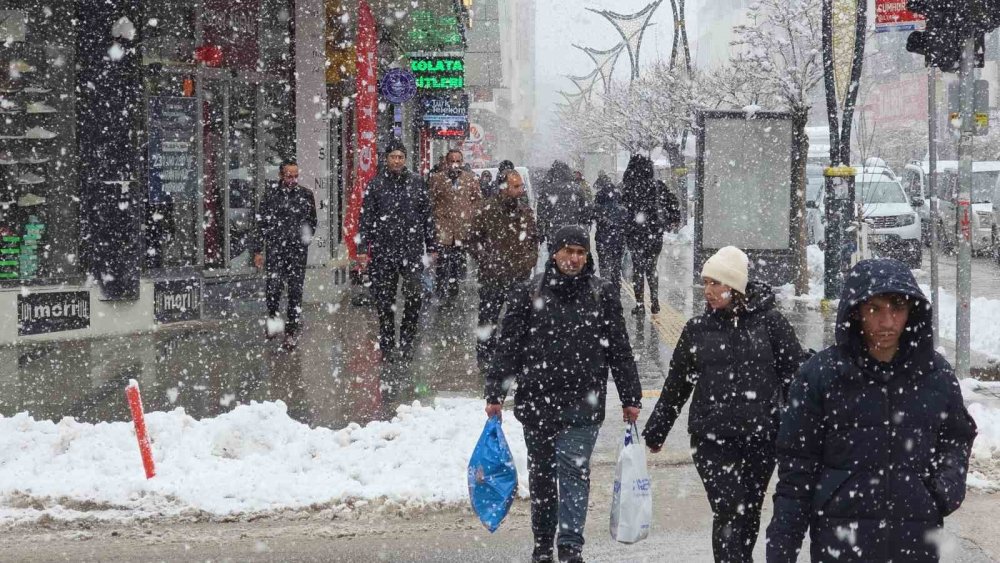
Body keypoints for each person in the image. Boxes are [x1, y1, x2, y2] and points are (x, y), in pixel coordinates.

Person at [766, 258, 978, 563]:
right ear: (856, 312)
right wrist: (781, 551)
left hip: (914, 544)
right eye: (874, 309)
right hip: (839, 545)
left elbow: (957, 437)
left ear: (912, 312)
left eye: (897, 308)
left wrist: (945, 487)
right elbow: (796, 475)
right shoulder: (820, 376)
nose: (887, 322)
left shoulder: (936, 375)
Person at [485, 225, 642, 563]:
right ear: (554, 253)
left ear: (588, 257)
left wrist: (631, 396)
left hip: (582, 404)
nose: (573, 258)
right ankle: (543, 544)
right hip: (538, 401)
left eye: (580, 252)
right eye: (568, 251)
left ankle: (570, 546)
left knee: (573, 473)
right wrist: (495, 392)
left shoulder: (602, 294)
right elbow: (509, 346)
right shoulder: (528, 293)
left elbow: (619, 349)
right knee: (542, 476)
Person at [642, 246, 805, 562]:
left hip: (761, 436)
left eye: (716, 283)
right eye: (705, 283)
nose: (709, 291)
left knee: (750, 508)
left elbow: (795, 378)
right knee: (730, 507)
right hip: (711, 438)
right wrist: (657, 430)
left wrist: (799, 429)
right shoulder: (696, 331)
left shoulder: (772, 325)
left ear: (736, 285)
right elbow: (677, 384)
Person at [358, 139, 437, 362]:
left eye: (400, 157)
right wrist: (363, 248)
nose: (397, 160)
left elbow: (427, 217)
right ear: (386, 159)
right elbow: (366, 218)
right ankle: (387, 342)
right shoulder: (376, 185)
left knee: (414, 296)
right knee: (385, 300)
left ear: (405, 159)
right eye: (393, 156)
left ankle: (407, 341)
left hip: (411, 251)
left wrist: (431, 246)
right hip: (384, 251)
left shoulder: (416, 183)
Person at [467, 170, 539, 374]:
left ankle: (515, 357)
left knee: (518, 319)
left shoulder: (525, 211)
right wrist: (487, 261)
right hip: (493, 276)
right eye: (516, 186)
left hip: (519, 276)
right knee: (488, 318)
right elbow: (472, 240)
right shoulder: (487, 209)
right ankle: (485, 358)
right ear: (504, 187)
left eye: (521, 186)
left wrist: (528, 262)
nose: (520, 190)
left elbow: (534, 240)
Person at [253, 159, 317, 349]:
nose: (293, 179)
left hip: (297, 251)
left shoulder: (306, 195)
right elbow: (261, 224)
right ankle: (273, 320)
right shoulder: (271, 196)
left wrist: (304, 239)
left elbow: (312, 221)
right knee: (273, 288)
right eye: (289, 175)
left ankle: (291, 331)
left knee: (295, 291)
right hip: (275, 249)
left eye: (296, 175)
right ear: (281, 175)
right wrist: (258, 250)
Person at [428, 148, 482, 303]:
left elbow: (478, 201)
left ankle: (453, 291)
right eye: (452, 161)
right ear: (446, 162)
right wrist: (436, 218)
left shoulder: (471, 179)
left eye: (458, 161)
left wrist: (470, 214)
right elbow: (430, 201)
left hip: (461, 229)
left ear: (462, 162)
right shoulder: (437, 179)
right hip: (443, 229)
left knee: (458, 263)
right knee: (442, 263)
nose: (454, 164)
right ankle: (440, 292)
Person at [622, 154, 665, 315]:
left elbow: (623, 208)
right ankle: (655, 301)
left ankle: (640, 305)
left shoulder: (628, 187)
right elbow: (671, 204)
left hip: (635, 234)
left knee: (638, 269)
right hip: (654, 234)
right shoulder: (657, 186)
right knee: (652, 267)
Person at [536, 160, 591, 247]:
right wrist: (583, 224)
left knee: (555, 256)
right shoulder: (576, 188)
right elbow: (586, 210)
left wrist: (541, 232)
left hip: (553, 233)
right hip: (572, 232)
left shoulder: (547, 190)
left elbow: (541, 214)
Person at [592, 171, 627, 296]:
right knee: (616, 266)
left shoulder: (599, 203)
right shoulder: (621, 204)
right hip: (618, 239)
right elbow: (625, 220)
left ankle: (606, 291)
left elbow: (592, 215)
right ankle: (616, 291)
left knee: (604, 266)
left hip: (602, 238)